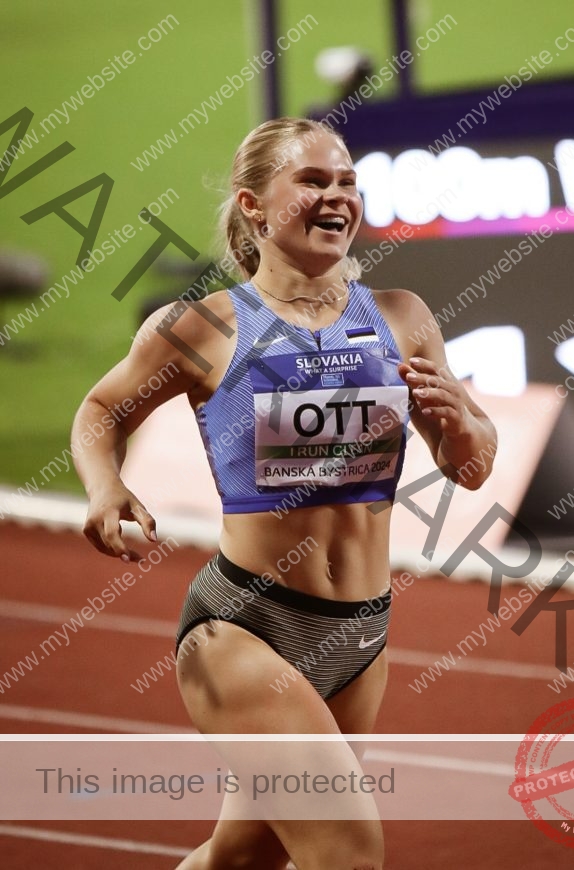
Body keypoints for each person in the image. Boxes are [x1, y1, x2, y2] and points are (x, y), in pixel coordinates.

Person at [71, 117, 497, 870]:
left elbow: (471, 466)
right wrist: (105, 486)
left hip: (360, 634)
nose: (337, 197)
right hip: (244, 626)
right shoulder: (202, 327)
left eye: (347, 184)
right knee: (348, 851)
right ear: (253, 206)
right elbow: (102, 410)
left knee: (243, 856)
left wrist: (461, 422)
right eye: (313, 181)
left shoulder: (402, 318)